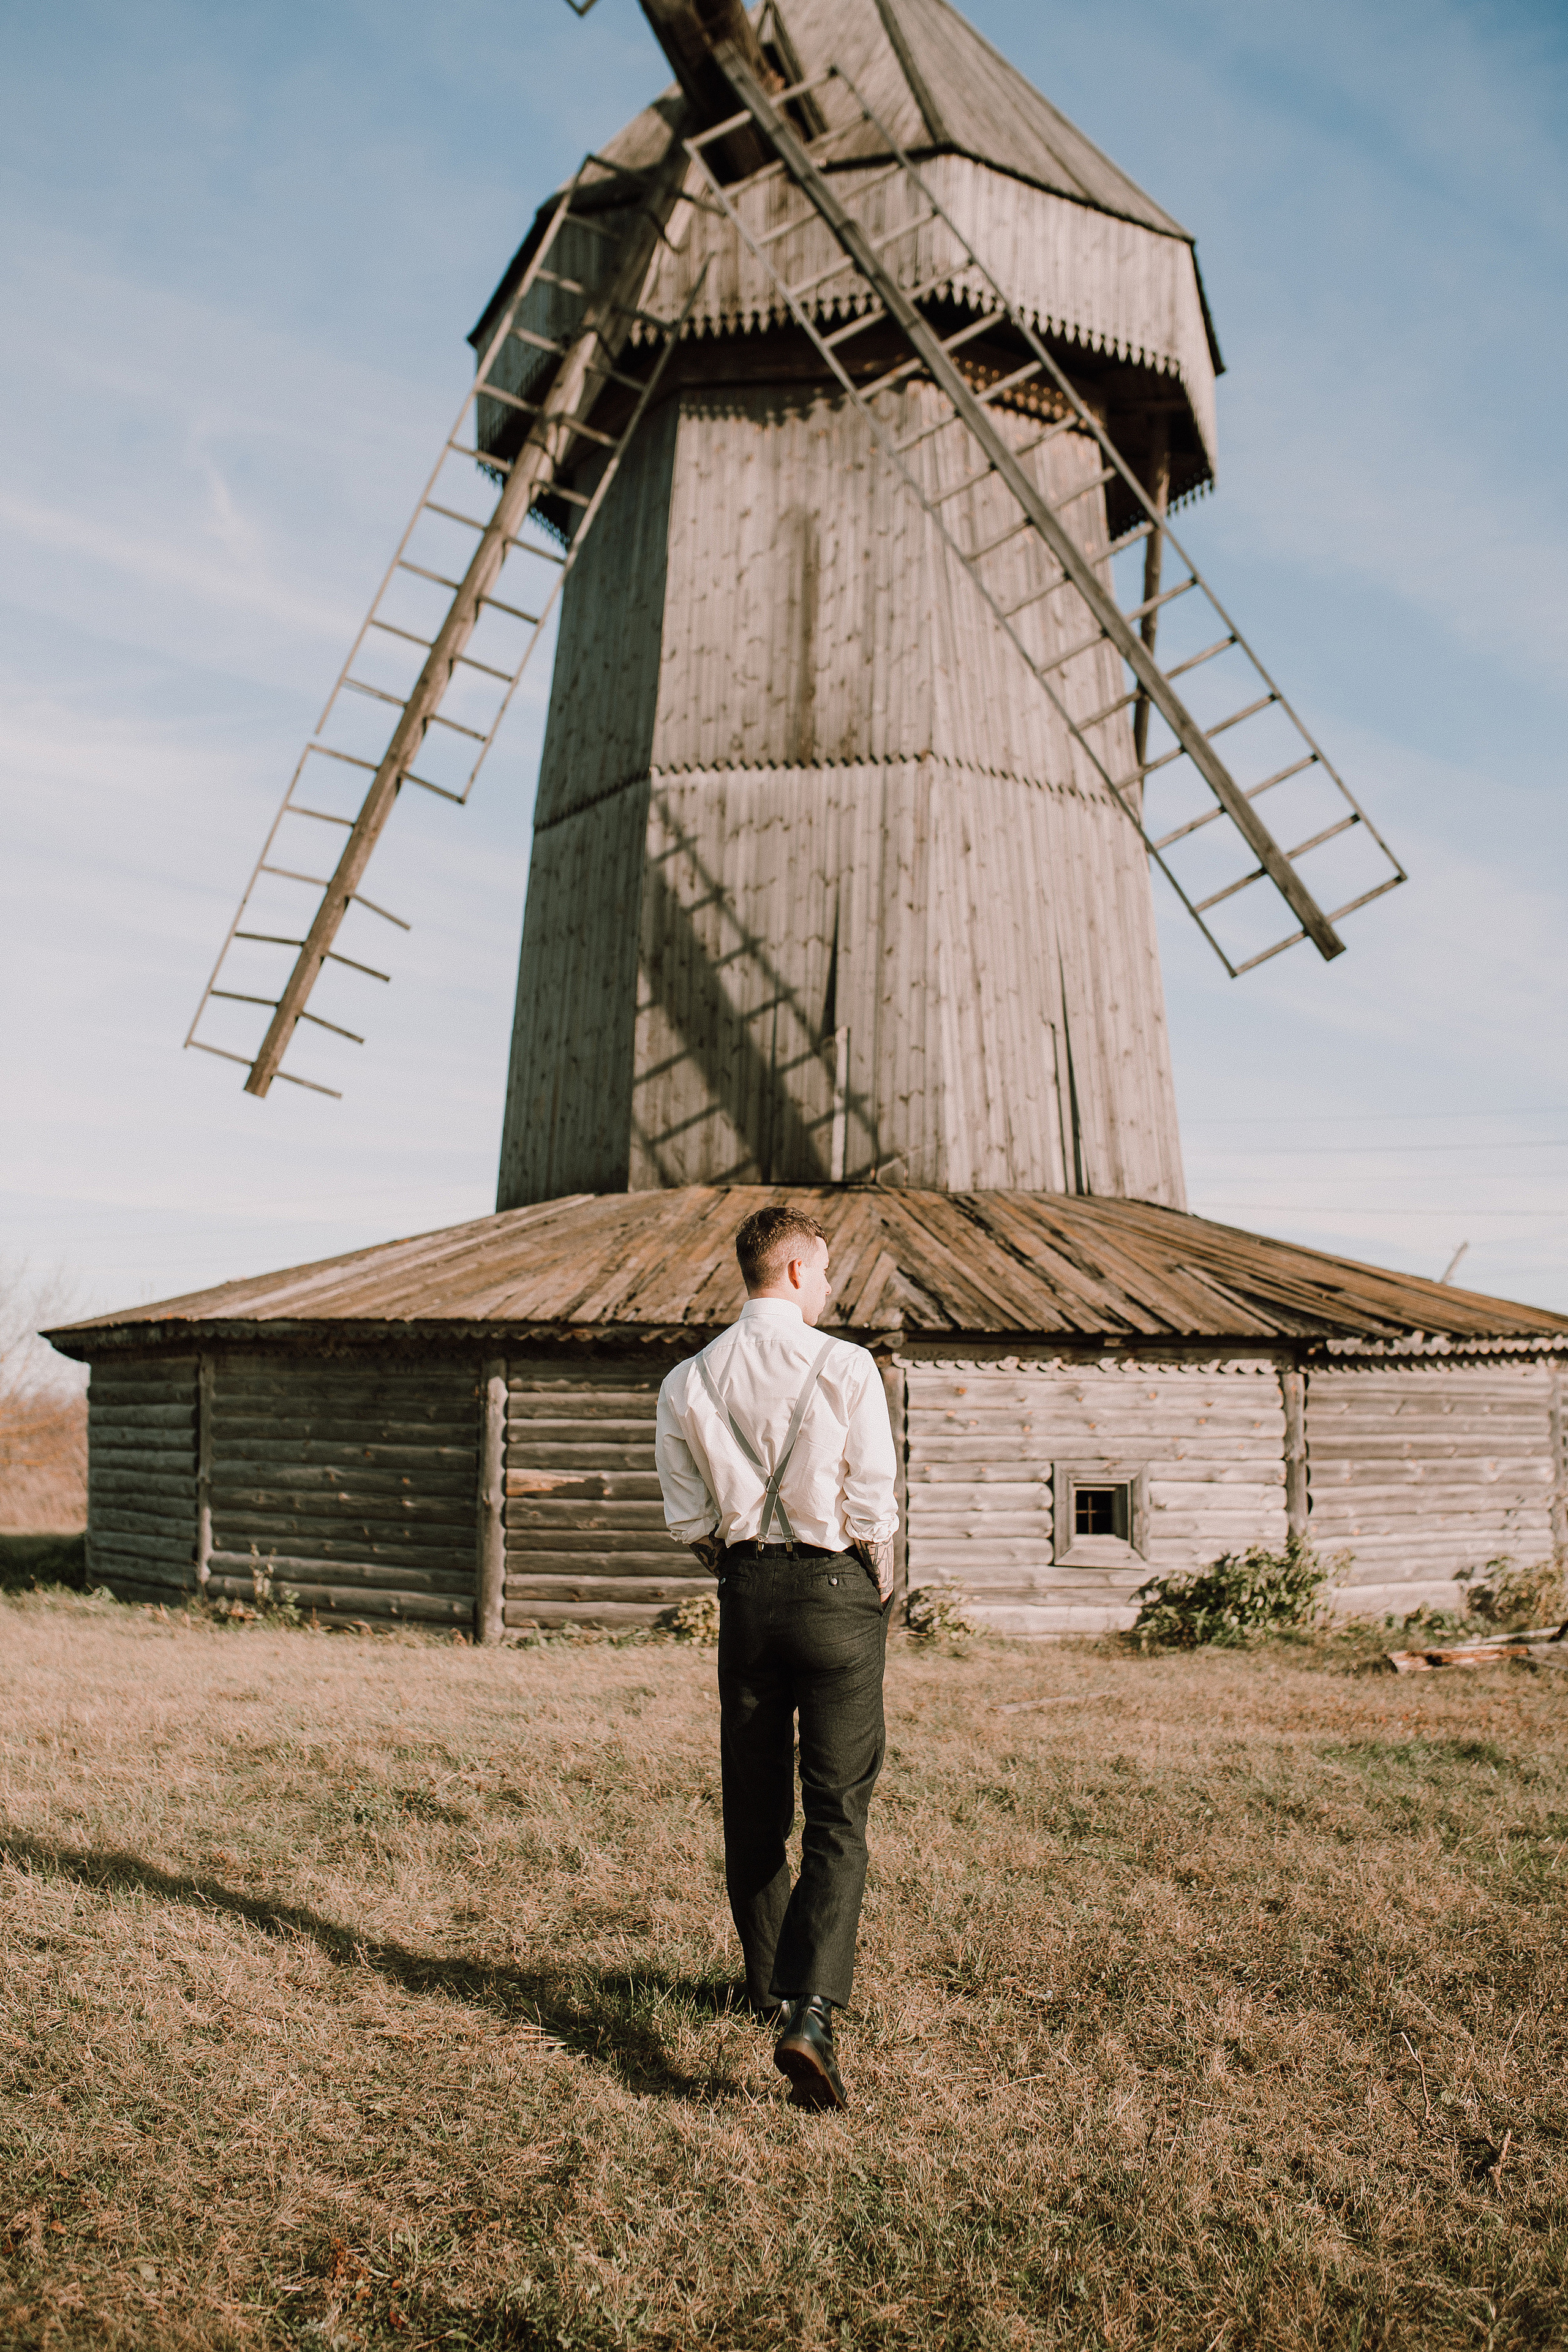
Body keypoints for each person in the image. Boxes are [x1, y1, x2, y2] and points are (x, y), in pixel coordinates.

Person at [654, 1204, 898, 2111]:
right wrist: (870, 1573)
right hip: (837, 1589)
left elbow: (688, 1516)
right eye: (826, 1273)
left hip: (747, 1596)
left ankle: (766, 1985)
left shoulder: (686, 1380)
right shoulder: (843, 1365)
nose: (830, 1289)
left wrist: (739, 1565)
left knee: (754, 1807)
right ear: (795, 1271)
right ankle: (810, 2008)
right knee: (838, 1808)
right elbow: (872, 1494)